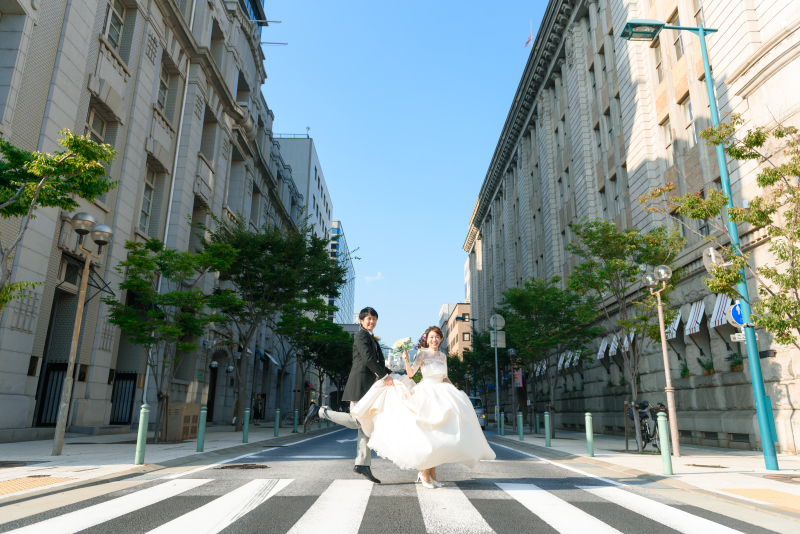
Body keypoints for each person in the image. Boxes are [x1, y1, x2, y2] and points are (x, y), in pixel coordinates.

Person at [350, 326, 495, 489]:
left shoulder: (443, 356)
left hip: (443, 392)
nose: (435, 340)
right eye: (432, 337)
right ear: (427, 339)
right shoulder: (422, 353)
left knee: (440, 434)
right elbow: (411, 374)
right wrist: (406, 359)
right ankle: (425, 473)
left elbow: (445, 377)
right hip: (427, 393)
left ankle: (431, 475)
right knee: (429, 433)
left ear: (441, 339)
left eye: (437, 337)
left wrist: (456, 390)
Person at [302, 307, 391, 484]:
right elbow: (367, 359)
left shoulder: (372, 338)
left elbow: (379, 362)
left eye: (374, 319)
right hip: (359, 386)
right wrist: (384, 376)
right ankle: (320, 412)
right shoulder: (362, 336)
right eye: (368, 319)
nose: (371, 321)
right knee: (358, 420)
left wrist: (393, 374)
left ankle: (362, 463)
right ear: (361, 320)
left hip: (368, 387)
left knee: (366, 424)